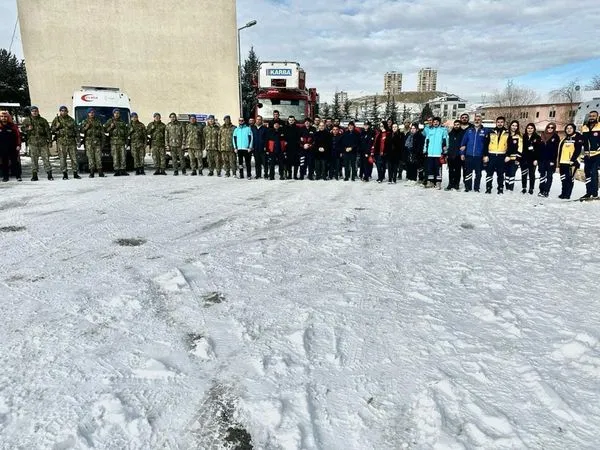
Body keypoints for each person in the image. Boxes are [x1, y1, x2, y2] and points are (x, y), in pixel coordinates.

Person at [23, 106, 52, 181]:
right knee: (34, 160)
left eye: (36, 111)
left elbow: (48, 131)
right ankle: (34, 175)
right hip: (33, 143)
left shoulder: (43, 120)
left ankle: (49, 174)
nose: (34, 112)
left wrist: (50, 141)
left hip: (43, 143)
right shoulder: (27, 120)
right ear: (31, 112)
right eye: (33, 111)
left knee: (46, 159)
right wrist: (27, 129)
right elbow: (22, 129)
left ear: (38, 111)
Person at [51, 105, 80, 180]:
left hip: (71, 142)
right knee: (62, 159)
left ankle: (75, 173)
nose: (63, 112)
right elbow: (52, 130)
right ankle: (65, 174)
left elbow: (76, 131)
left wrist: (78, 141)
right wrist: (56, 127)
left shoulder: (71, 120)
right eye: (62, 111)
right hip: (61, 142)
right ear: (60, 111)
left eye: (65, 111)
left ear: (67, 112)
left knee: (74, 158)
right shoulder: (56, 119)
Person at [460, 115, 487, 192]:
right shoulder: (469, 131)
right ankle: (468, 187)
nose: (477, 121)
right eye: (475, 119)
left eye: (479, 119)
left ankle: (476, 188)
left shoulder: (485, 131)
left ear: (481, 121)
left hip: (479, 156)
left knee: (478, 173)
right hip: (469, 155)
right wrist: (462, 153)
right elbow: (463, 143)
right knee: (468, 172)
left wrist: (485, 155)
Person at [557, 123, 584, 200]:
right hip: (562, 162)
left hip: (572, 163)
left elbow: (578, 150)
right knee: (563, 178)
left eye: (570, 128)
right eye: (567, 128)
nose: (568, 129)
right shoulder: (564, 139)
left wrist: (572, 160)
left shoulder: (578, 137)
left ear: (574, 129)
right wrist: (558, 162)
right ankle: (563, 193)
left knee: (569, 179)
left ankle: (567, 194)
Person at [483, 116, 508, 194]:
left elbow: (510, 145)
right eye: (498, 122)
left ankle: (500, 188)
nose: (500, 124)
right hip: (491, 155)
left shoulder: (507, 133)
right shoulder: (491, 132)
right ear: (496, 123)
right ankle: (488, 188)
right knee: (489, 173)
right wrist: (485, 155)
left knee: (500, 174)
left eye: (501, 122)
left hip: (501, 156)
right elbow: (485, 144)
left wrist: (507, 155)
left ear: (504, 123)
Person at [423, 116, 448, 189]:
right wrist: (425, 150)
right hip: (430, 153)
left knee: (438, 169)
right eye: (434, 122)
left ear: (439, 122)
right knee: (430, 168)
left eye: (437, 122)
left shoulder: (443, 130)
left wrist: (445, 152)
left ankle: (438, 182)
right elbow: (426, 141)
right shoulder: (430, 130)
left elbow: (445, 141)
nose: (435, 123)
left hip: (438, 153)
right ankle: (430, 182)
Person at [581, 110, 600, 200]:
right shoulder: (584, 127)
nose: (592, 117)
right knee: (587, 173)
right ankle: (588, 192)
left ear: (597, 117)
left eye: (594, 116)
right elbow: (582, 140)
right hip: (587, 155)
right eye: (590, 116)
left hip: (597, 154)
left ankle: (595, 193)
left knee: (594, 173)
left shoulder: (599, 126)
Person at [80, 108, 105, 178]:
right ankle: (92, 172)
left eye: (93, 112)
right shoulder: (85, 121)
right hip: (88, 143)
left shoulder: (98, 122)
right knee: (90, 157)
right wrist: (86, 127)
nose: (91, 114)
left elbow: (102, 133)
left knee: (98, 157)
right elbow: (81, 131)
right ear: (88, 114)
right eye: (90, 113)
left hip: (97, 142)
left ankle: (100, 172)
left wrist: (103, 143)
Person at [104, 109, 129, 176]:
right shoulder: (110, 121)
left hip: (122, 142)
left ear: (119, 114)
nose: (117, 114)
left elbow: (126, 133)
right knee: (115, 157)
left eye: (118, 113)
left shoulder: (122, 122)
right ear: (113, 114)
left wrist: (127, 141)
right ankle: (117, 170)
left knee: (123, 156)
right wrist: (110, 127)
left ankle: (123, 170)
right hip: (114, 143)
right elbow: (105, 130)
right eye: (115, 113)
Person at [538, 122, 559, 197]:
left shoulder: (556, 137)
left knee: (549, 176)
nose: (550, 129)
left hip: (550, 161)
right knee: (542, 175)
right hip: (542, 160)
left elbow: (556, 150)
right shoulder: (542, 135)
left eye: (552, 127)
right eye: (548, 127)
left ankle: (546, 191)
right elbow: (538, 149)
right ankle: (541, 190)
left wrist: (553, 161)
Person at [0, 111, 22, 182]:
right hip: (2, 148)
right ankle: (5, 177)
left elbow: (18, 136)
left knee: (15, 162)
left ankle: (18, 176)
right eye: (2, 117)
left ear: (8, 117)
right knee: (4, 163)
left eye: (5, 117)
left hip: (13, 147)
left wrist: (18, 145)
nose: (4, 118)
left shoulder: (13, 126)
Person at [521, 123, 540, 194]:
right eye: (528, 128)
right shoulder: (523, 136)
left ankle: (531, 188)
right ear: (526, 129)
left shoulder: (537, 137)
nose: (530, 129)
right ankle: (524, 187)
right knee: (524, 174)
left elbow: (539, 150)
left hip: (532, 159)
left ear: (534, 129)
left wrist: (536, 159)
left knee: (532, 174)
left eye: (531, 128)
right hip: (524, 159)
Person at [504, 120, 522, 191]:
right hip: (506, 158)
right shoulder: (506, 134)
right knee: (507, 173)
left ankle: (510, 188)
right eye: (513, 125)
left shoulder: (519, 136)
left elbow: (520, 148)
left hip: (514, 158)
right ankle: (506, 187)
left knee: (512, 173)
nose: (514, 127)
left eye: (516, 126)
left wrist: (518, 159)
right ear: (510, 126)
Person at [446, 120, 463, 190]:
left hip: (458, 155)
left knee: (457, 171)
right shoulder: (450, 133)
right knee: (450, 171)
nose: (456, 126)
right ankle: (450, 183)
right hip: (450, 155)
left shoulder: (463, 133)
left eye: (458, 124)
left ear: (460, 125)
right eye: (455, 124)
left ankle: (456, 184)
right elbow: (447, 143)